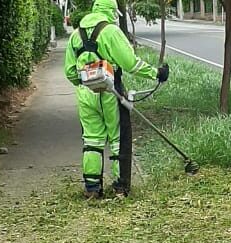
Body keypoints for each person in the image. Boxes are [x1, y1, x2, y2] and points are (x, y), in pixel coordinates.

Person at [64, 0, 169, 198]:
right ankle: (120, 188)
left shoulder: (76, 35)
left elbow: (70, 73)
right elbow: (131, 64)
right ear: (112, 12)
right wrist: (157, 73)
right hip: (111, 91)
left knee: (92, 140)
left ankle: (92, 189)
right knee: (117, 139)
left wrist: (88, 82)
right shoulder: (110, 31)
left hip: (86, 93)